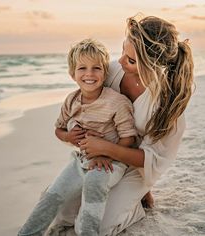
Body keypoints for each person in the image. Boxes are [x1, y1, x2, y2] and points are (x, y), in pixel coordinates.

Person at [45, 15, 194, 235]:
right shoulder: (112, 71)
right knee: (61, 213)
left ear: (153, 67)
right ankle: (129, 193)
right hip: (101, 158)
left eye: (131, 61)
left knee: (99, 225)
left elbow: (153, 160)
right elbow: (84, 102)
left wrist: (107, 148)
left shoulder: (168, 105)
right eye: (123, 52)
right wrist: (75, 132)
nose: (121, 61)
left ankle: (136, 204)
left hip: (136, 165)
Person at [18, 38, 138, 236]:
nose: (89, 74)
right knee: (51, 195)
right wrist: (69, 137)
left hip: (112, 163)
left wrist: (106, 155)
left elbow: (129, 138)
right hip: (81, 160)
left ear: (105, 72)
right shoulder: (71, 100)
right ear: (72, 74)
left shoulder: (116, 102)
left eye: (96, 68)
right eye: (82, 68)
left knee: (94, 181)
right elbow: (58, 129)